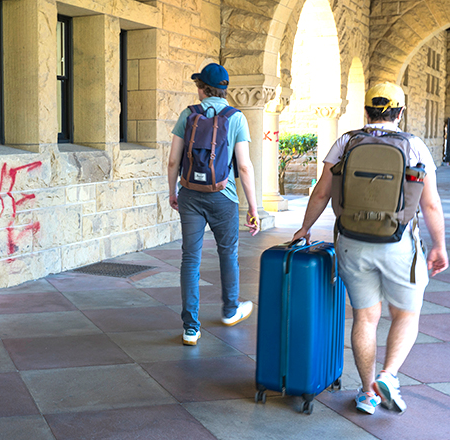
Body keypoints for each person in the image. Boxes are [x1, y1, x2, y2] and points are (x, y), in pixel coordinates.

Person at [292, 82, 448, 414]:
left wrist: (305, 228)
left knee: (365, 317)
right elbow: (431, 205)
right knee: (405, 314)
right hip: (398, 243)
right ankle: (388, 376)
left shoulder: (346, 142)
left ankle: (367, 393)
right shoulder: (414, 146)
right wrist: (439, 245)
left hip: (351, 242)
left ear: (366, 111)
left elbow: (321, 192)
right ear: (400, 112)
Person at [167, 63, 260, 346]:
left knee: (190, 258)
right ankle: (230, 309)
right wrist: (253, 208)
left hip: (190, 195)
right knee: (227, 253)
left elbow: (173, 160)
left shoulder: (188, 114)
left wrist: (172, 190)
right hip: (224, 196)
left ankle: (190, 328)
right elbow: (243, 166)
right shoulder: (236, 118)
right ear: (224, 88)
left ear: (202, 89)